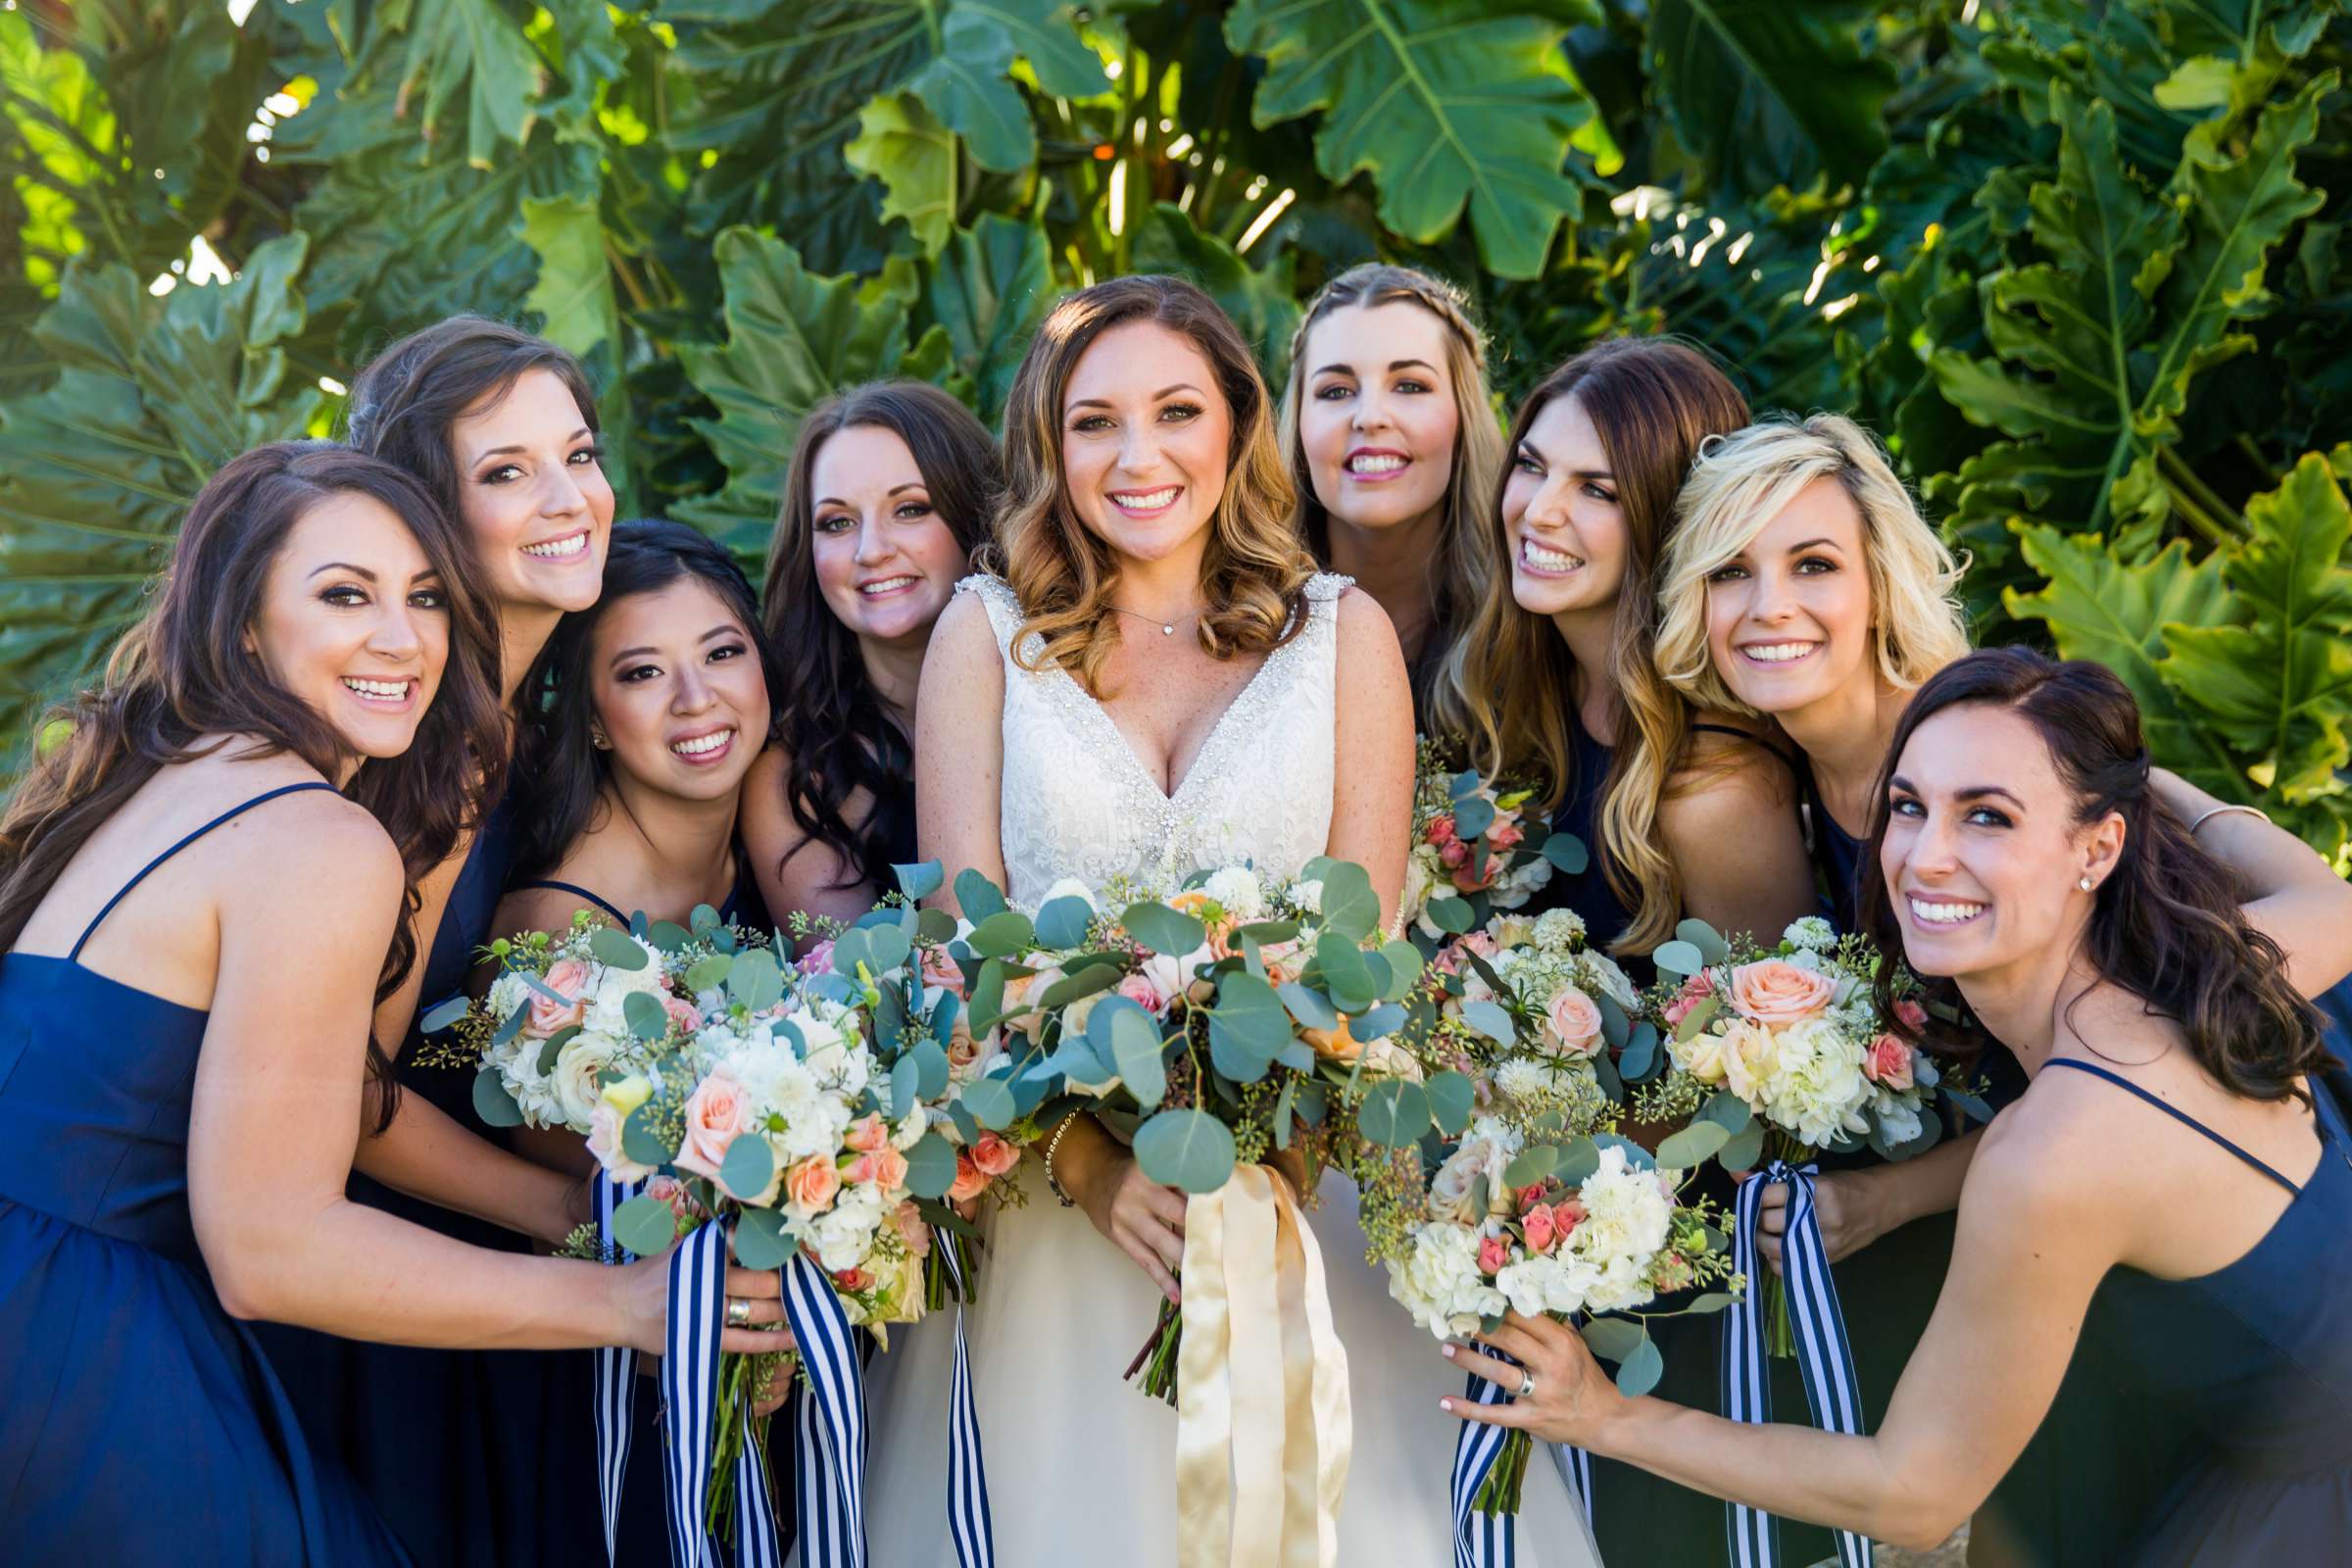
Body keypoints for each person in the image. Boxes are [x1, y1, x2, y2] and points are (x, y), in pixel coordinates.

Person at [874, 274, 1589, 1564]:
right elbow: (958, 959)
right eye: (1095, 422)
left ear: (1236, 426)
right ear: (1051, 440)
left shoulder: (1338, 634)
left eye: (1177, 412)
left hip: (1290, 1202)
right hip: (1060, 1212)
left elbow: (1358, 961)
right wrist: (1092, 1166)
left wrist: (1264, 1142)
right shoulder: (985, 637)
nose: (1137, 456)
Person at [0, 443, 784, 1563]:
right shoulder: (316, 835)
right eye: (343, 595)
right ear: (244, 627)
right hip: (77, 1341)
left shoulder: (171, 772)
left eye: (422, 596)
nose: (403, 637)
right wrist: (629, 1304)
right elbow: (271, 1249)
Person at [1441, 647, 2352, 1566]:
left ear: (2098, 847)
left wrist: (1605, 1415)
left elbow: (1914, 1492)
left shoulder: (2058, 1153)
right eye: (1911, 806)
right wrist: (2116, 772)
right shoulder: (2203, 970)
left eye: (1989, 815)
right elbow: (2335, 899)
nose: (1926, 857)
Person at [1657, 415, 2352, 1561]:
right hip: (2057, 1270)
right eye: (1730, 569)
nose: (1767, 604)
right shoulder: (1753, 797)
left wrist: (2158, 806)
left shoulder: (2010, 744)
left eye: (1813, 563)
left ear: (1882, 581)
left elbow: (2121, 1086)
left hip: (2171, 1252)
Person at [252, 316, 624, 1567]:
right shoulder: (432, 740)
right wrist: (574, 1212)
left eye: (577, 453)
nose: (568, 497)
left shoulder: (523, 717)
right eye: (508, 471)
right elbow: (351, 1094)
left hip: (465, 1277)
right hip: (363, 1292)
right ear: (426, 508)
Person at [1435, 337, 1814, 971]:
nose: (1540, 510)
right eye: (1532, 466)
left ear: (1668, 517)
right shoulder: (1502, 690)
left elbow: (1768, 1040)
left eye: (1596, 490)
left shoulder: (1719, 786)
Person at [743, 382, 999, 941]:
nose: (871, 550)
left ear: (972, 513)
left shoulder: (1064, 696)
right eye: (838, 522)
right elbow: (856, 996)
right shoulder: (792, 776)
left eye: (910, 509)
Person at [1277, 262, 1503, 721]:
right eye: (1336, 392)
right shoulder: (1236, 620)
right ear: (1299, 424)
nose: (1370, 417)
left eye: (1409, 386)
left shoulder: (1527, 623)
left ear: (1463, 417)